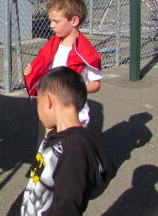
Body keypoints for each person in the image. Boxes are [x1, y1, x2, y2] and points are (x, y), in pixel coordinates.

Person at [21, 67, 115, 216]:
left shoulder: (72, 151)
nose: (37, 110)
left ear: (48, 100)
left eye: (38, 102)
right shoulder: (55, 135)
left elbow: (67, 206)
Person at [24, 0, 102, 127]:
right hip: (50, 113)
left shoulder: (85, 53)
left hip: (73, 117)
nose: (51, 25)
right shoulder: (52, 44)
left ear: (74, 21)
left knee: (71, 147)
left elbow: (96, 84)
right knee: (44, 147)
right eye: (51, 21)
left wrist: (74, 89)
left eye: (56, 21)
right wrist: (32, 71)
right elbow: (44, 70)